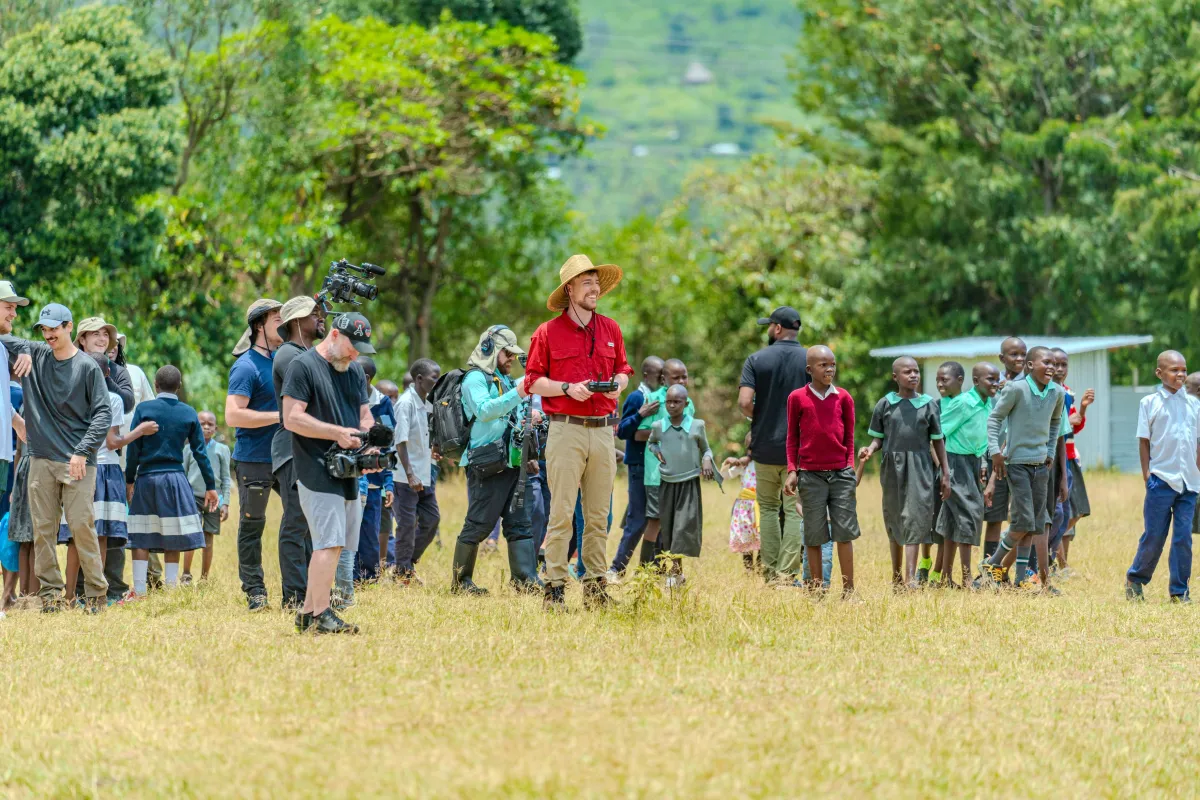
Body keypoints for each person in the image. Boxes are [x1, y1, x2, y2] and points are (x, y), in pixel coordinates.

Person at [525, 255, 632, 611]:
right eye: (586, 283)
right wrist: (568, 388)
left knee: (599, 516)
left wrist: (618, 384)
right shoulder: (547, 332)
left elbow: (623, 370)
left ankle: (595, 587)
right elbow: (533, 382)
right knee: (562, 513)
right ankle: (554, 588)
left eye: (596, 282)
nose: (595, 289)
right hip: (565, 430)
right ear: (569, 290)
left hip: (603, 432)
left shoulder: (611, 329)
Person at [2, 303, 111, 612]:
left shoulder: (87, 367)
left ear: (69, 327)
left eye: (54, 328)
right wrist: (22, 351)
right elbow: (4, 337)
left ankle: (96, 595)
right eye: (44, 329)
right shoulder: (35, 354)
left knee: (80, 525)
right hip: (40, 458)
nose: (48, 334)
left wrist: (82, 450)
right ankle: (51, 597)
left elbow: (102, 414)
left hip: (78, 461)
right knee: (43, 530)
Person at [282, 311, 379, 634]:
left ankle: (308, 613)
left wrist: (369, 441)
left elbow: (365, 415)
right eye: (353, 346)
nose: (356, 355)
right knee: (329, 543)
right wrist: (336, 433)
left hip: (349, 468)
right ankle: (323, 614)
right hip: (314, 466)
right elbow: (291, 418)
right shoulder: (303, 366)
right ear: (335, 335)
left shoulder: (352, 373)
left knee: (338, 544)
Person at [452, 325, 540, 595]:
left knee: (519, 522)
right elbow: (485, 411)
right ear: (490, 349)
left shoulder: (503, 380)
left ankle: (524, 580)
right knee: (478, 524)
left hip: (512, 462)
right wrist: (521, 391)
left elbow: (514, 407)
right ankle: (461, 582)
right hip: (486, 463)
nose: (511, 358)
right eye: (507, 352)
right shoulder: (474, 380)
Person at [979, 346, 1066, 594]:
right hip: (1016, 463)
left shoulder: (1057, 393)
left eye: (1054, 363)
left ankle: (1019, 579)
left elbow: (1055, 423)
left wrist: (1049, 452)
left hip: (1041, 465)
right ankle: (993, 563)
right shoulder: (1016, 389)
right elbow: (995, 419)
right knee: (1023, 521)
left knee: (1034, 524)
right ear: (1029, 366)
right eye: (1045, 362)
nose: (1051, 367)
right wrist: (995, 451)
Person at [858, 357, 950, 589]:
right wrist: (869, 449)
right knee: (896, 518)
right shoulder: (885, 404)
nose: (914, 375)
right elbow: (878, 438)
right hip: (892, 469)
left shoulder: (929, 404)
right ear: (895, 377)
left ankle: (910, 578)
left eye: (916, 371)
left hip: (920, 468)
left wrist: (945, 473)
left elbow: (938, 441)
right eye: (907, 372)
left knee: (915, 518)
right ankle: (897, 576)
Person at [125, 366, 218, 596]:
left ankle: (139, 590)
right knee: (173, 533)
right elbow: (200, 453)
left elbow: (133, 449)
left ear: (155, 385)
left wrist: (129, 479)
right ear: (179, 387)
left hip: (147, 478)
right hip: (175, 478)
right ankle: (171, 588)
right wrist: (211, 486)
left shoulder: (144, 409)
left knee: (141, 534)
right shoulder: (188, 413)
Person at [57, 353, 142, 601]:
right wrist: (139, 432)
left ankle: (70, 594)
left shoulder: (71, 397)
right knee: (100, 535)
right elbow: (112, 441)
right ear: (107, 374)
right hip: (105, 470)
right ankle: (97, 594)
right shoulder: (112, 398)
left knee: (76, 535)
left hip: (76, 467)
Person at [738, 306, 809, 583]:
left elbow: (745, 402)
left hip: (765, 447)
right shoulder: (809, 359)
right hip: (800, 450)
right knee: (793, 510)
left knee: (767, 508)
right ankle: (787, 574)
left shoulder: (756, 359)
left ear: (777, 329)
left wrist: (763, 416)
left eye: (769, 326)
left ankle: (769, 571)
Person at [783, 345, 859, 598]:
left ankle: (849, 591)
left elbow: (849, 436)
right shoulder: (797, 398)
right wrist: (793, 470)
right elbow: (792, 437)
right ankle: (816, 590)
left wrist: (848, 465)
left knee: (844, 533)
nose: (829, 369)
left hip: (840, 474)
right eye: (823, 365)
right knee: (814, 535)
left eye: (832, 364)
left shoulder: (844, 397)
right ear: (809, 370)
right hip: (810, 475)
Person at [1125, 350, 1200, 603]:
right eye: (1173, 370)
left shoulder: (1194, 404)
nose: (1180, 374)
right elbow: (1143, 442)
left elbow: (1197, 442)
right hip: (1161, 480)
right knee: (1154, 536)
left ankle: (1179, 591)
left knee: (1183, 539)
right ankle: (1135, 579)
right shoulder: (1149, 403)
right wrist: (1147, 474)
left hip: (1189, 482)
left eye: (1183, 369)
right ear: (1159, 373)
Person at [226, 298, 284, 612]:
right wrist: (279, 416)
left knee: (299, 522)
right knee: (252, 525)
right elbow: (233, 415)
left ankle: (296, 591)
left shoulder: (287, 359)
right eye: (278, 318)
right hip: (254, 458)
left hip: (288, 457)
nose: (284, 323)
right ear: (259, 325)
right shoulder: (246, 366)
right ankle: (255, 592)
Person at [270, 296, 325, 609]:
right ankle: (292, 596)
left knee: (307, 526)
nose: (321, 319)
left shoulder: (304, 353)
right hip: (291, 449)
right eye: (313, 314)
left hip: (303, 448)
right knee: (295, 523)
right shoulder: (289, 356)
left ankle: (309, 593)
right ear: (295, 322)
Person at [935, 362, 999, 588]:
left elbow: (981, 437)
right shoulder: (963, 404)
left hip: (973, 463)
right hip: (955, 463)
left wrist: (982, 462)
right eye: (990, 379)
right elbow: (938, 434)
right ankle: (965, 577)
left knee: (954, 520)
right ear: (976, 381)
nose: (995, 383)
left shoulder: (988, 403)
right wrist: (944, 470)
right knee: (970, 516)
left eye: (997, 379)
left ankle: (945, 578)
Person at [646, 384, 716, 586]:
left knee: (682, 527)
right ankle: (676, 574)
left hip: (688, 483)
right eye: (668, 401)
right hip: (667, 483)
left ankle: (675, 573)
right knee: (668, 528)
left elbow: (707, 450)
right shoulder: (658, 426)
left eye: (677, 402)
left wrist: (706, 460)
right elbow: (652, 443)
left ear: (686, 404)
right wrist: (656, 451)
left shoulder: (697, 425)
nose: (672, 405)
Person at [634, 358, 693, 572]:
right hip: (657, 474)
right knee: (656, 521)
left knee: (678, 523)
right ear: (663, 379)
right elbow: (640, 434)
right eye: (676, 377)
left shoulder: (688, 402)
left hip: (681, 474)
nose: (682, 381)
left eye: (684, 376)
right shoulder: (655, 401)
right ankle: (644, 570)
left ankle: (675, 572)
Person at [608, 355, 663, 581]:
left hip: (658, 468)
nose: (663, 379)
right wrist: (641, 415)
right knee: (637, 519)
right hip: (639, 466)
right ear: (648, 375)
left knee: (658, 518)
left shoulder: (662, 398)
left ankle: (656, 569)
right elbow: (622, 431)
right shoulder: (636, 397)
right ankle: (617, 568)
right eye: (660, 375)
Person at [393, 358, 441, 586]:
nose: (437, 381)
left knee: (432, 519)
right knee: (406, 524)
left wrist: (436, 451)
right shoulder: (406, 403)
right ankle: (402, 572)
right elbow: (400, 441)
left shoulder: (427, 404)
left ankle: (406, 563)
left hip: (424, 473)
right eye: (434, 377)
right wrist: (410, 474)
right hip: (405, 477)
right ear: (420, 379)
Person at [982, 337, 1027, 565]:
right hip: (994, 458)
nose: (1019, 359)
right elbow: (988, 422)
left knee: (1020, 518)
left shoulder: (1028, 384)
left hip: (1020, 458)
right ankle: (988, 569)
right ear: (1002, 358)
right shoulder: (991, 384)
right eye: (1013, 355)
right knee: (994, 516)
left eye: (1023, 354)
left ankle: (1010, 568)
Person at [353, 356, 394, 583]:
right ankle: (349, 575)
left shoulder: (383, 404)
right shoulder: (345, 397)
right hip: (350, 477)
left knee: (370, 530)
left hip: (374, 479)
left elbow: (387, 442)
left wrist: (388, 482)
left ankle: (367, 576)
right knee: (350, 528)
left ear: (366, 378)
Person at [0, 282, 30, 598]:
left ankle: (7, 595)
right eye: (8, 305)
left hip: (5, 454)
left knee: (4, 522)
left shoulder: (1, 347)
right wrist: (18, 420)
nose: (14, 312)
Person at [1051, 348, 1092, 576]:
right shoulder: (1050, 393)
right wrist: (1070, 420)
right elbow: (1053, 426)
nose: (1059, 369)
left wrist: (1082, 409)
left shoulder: (1067, 392)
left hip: (1070, 456)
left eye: (1063, 365)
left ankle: (1057, 559)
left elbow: (1075, 426)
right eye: (1054, 364)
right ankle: (1054, 558)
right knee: (1063, 512)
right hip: (1058, 459)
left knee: (1074, 511)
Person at [182, 411, 232, 583]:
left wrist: (225, 503)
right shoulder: (188, 449)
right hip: (192, 498)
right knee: (191, 535)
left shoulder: (222, 450)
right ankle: (186, 574)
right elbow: (184, 474)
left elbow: (226, 478)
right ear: (195, 426)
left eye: (210, 424)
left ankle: (204, 578)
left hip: (214, 500)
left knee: (208, 537)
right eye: (202, 423)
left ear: (215, 428)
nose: (206, 427)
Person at [74, 317, 134, 414]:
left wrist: (104, 376)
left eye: (105, 334)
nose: (102, 339)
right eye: (96, 334)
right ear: (82, 340)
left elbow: (128, 405)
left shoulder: (118, 371)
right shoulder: (70, 367)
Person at [723, 434, 760, 572]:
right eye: (750, 447)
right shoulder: (743, 465)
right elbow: (726, 476)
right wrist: (729, 463)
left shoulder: (766, 465)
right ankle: (749, 569)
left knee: (762, 537)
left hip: (761, 505)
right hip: (744, 507)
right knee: (746, 538)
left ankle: (761, 567)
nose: (752, 451)